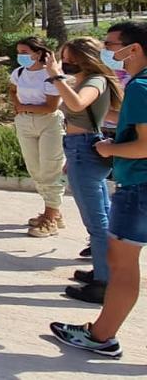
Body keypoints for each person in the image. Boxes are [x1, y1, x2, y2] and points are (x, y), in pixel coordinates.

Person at [51, 21, 147, 359]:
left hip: (137, 183)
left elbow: (143, 145)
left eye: (111, 43)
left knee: (119, 260)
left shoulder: (138, 86)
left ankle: (101, 329)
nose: (108, 49)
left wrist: (110, 149)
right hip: (128, 177)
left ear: (133, 48)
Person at [45, 37, 123, 304]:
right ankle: (104, 271)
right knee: (100, 215)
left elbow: (78, 104)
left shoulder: (94, 81)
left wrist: (56, 78)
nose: (65, 62)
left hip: (84, 149)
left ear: (84, 58)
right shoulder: (86, 80)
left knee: (97, 221)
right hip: (79, 148)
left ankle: (104, 282)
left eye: (69, 58)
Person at [10, 36, 66, 237]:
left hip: (48, 122)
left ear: (38, 52)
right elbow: (13, 89)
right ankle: (52, 210)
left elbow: (50, 105)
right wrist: (19, 106)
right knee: (35, 168)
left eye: (25, 52)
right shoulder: (19, 72)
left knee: (51, 167)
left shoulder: (50, 74)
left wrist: (23, 106)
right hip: (25, 122)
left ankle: (50, 218)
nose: (21, 56)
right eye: (19, 52)